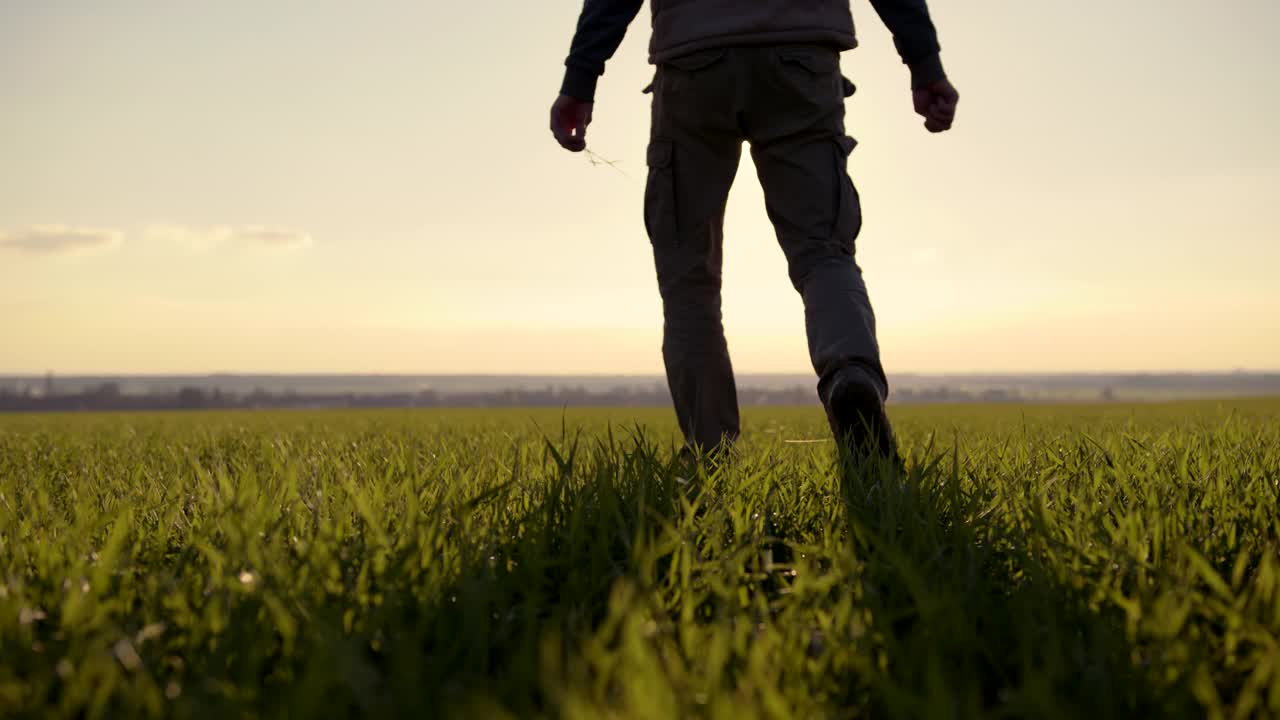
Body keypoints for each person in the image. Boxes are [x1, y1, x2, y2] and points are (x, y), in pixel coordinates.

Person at [550, 1, 958, 458]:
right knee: (823, 252)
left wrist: (580, 80)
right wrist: (924, 66)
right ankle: (850, 374)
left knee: (688, 279)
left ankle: (711, 452)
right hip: (801, 60)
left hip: (693, 64)